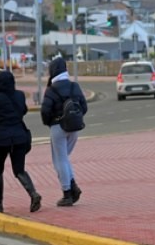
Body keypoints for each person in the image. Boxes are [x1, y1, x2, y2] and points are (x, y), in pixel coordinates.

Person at [0, 69, 41, 213]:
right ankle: (33, 194)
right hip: (19, 137)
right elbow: (24, 110)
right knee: (19, 170)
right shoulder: (20, 95)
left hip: (0, 139)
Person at [40, 57, 88, 207]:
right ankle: (73, 188)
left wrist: (50, 122)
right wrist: (74, 118)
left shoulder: (51, 89)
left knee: (60, 160)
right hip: (74, 127)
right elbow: (84, 107)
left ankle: (67, 193)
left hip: (58, 127)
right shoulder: (74, 86)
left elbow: (45, 111)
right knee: (64, 159)